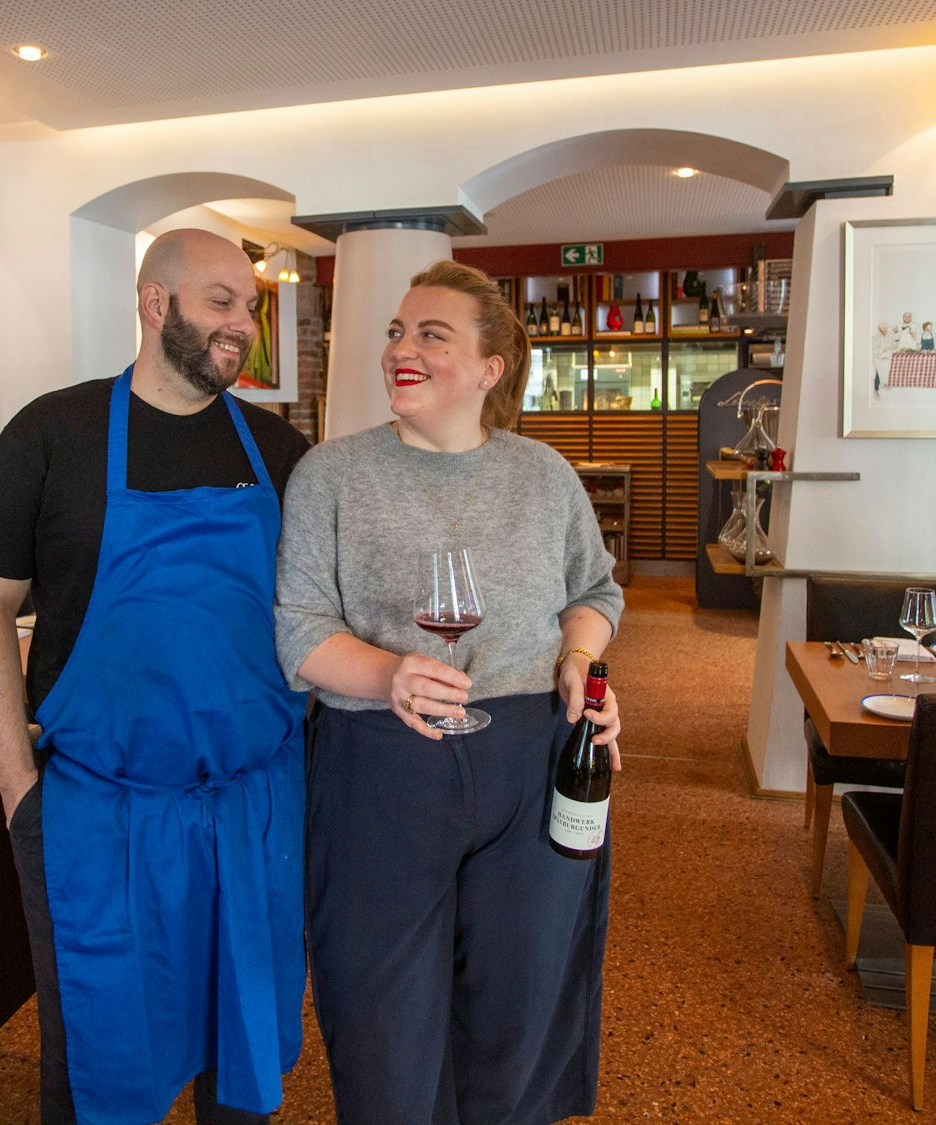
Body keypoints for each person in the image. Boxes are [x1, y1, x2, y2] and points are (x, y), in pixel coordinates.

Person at [0, 229, 312, 1125]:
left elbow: (319, 620)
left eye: (252, 307)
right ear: (157, 304)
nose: (244, 325)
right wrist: (14, 781)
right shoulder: (52, 434)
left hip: (252, 805)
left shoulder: (279, 450)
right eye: (221, 302)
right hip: (98, 814)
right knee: (103, 1053)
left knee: (241, 1046)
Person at [276, 259, 624, 1125]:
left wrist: (580, 658)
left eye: (432, 334)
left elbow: (596, 591)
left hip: (527, 753)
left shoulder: (544, 475)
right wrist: (387, 673)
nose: (403, 348)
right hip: (378, 767)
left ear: (489, 368)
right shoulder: (332, 475)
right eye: (397, 331)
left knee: (520, 996)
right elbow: (299, 629)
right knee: (380, 1010)